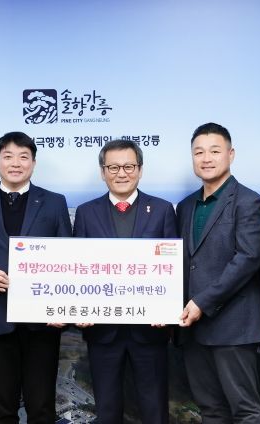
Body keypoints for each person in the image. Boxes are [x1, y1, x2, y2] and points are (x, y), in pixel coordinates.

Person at [0, 131, 72, 423]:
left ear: (33, 163)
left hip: (43, 321)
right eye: (8, 156)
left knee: (42, 407)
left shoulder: (54, 202)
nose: (16, 163)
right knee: (1, 408)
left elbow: (68, 256)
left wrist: (62, 307)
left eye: (24, 157)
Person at [73, 139, 177, 424]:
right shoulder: (86, 212)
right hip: (102, 331)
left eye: (129, 166)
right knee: (107, 411)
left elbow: (174, 264)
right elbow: (77, 267)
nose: (122, 173)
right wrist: (77, 307)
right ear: (102, 172)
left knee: (155, 410)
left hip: (151, 331)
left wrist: (168, 309)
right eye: (114, 167)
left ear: (140, 170)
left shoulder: (162, 209)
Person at [176, 122, 260, 423]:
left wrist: (202, 302)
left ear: (231, 154)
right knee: (211, 410)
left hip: (232, 326)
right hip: (192, 328)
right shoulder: (186, 206)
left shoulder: (249, 202)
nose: (206, 158)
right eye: (198, 152)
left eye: (214, 151)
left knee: (246, 410)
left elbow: (248, 259)